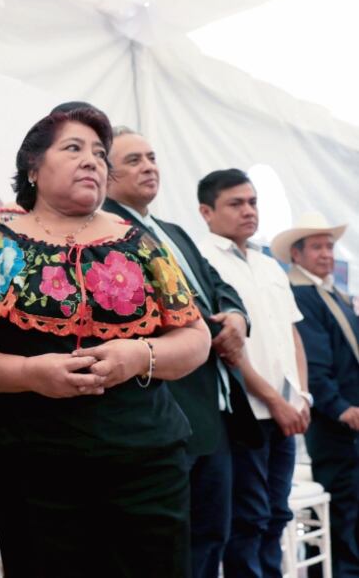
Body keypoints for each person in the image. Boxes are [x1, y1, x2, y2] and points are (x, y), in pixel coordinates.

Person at [0, 105, 211, 578]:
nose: (93, 161)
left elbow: (195, 337)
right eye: (73, 148)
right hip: (34, 465)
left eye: (100, 154)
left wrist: (138, 355)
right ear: (34, 168)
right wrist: (27, 373)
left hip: (146, 461)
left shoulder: (140, 242)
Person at [103, 126, 261, 578]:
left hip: (214, 415)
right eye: (133, 160)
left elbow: (219, 286)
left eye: (151, 157)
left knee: (213, 538)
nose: (148, 166)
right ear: (106, 171)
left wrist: (235, 319)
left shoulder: (173, 231)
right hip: (164, 409)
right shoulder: (106, 231)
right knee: (168, 549)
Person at [196, 168, 311, 578]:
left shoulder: (269, 266)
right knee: (248, 521)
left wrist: (301, 396)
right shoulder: (204, 262)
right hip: (244, 415)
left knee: (277, 514)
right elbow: (229, 350)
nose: (248, 211)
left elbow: (291, 335)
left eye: (253, 202)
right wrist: (276, 400)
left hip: (286, 412)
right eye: (235, 203)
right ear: (206, 212)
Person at [272, 213, 359, 577]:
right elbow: (313, 362)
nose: (326, 254)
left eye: (329, 246)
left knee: (351, 510)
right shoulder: (304, 296)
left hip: (348, 419)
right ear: (296, 254)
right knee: (345, 510)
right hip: (336, 423)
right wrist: (341, 408)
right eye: (317, 247)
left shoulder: (332, 293)